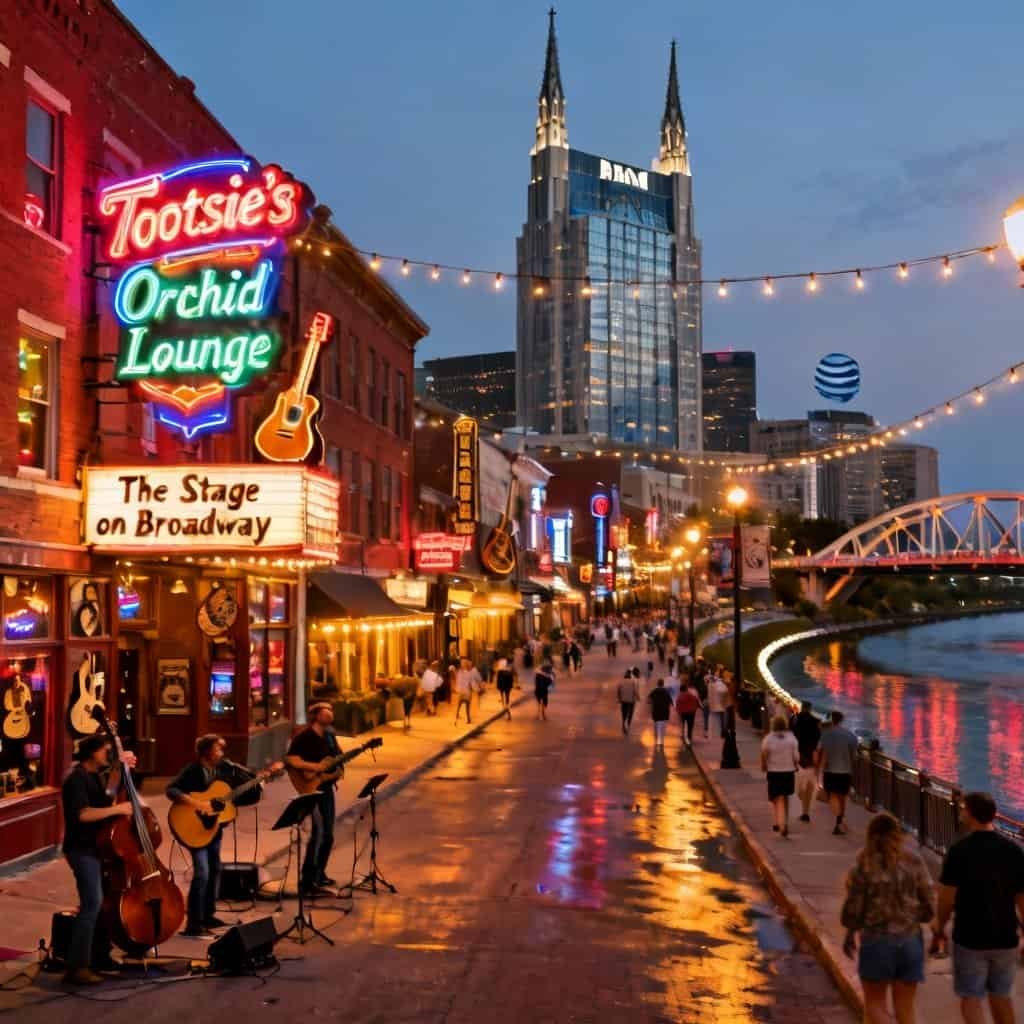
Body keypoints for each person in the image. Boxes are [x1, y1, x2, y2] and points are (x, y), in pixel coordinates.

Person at [934, 791, 1024, 1024]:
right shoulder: (1014, 851)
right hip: (1005, 937)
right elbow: (1022, 899)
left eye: (964, 809)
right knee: (1001, 996)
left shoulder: (959, 851)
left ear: (970, 814)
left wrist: (939, 926)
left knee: (971, 998)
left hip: (970, 936)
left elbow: (946, 898)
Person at [840, 812, 935, 1024]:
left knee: (874, 1004)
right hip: (910, 940)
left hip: (877, 940)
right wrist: (916, 916)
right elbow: (929, 902)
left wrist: (850, 931)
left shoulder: (863, 864)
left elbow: (853, 908)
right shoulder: (914, 861)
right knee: (906, 1007)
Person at [60, 734, 136, 985]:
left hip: (99, 848)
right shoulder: (75, 780)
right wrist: (118, 810)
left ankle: (100, 956)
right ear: (92, 753)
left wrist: (121, 769)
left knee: (103, 903)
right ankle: (77, 967)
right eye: (106, 751)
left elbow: (108, 795)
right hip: (81, 850)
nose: (108, 754)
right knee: (92, 903)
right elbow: (82, 815)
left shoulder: (94, 776)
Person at [167, 733, 257, 937]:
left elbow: (230, 791)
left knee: (215, 869)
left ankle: (208, 915)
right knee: (203, 873)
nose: (221, 753)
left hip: (213, 828)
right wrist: (198, 804)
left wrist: (259, 780)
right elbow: (171, 790)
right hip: (193, 827)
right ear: (207, 752)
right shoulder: (193, 770)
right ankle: (193, 923)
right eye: (218, 749)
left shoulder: (222, 769)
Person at [285, 703, 342, 897]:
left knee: (328, 835)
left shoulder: (330, 736)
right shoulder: (304, 736)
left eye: (331, 709)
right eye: (326, 709)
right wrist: (316, 768)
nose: (330, 712)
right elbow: (291, 760)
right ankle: (306, 881)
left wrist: (337, 768)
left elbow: (336, 759)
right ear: (316, 715)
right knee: (318, 833)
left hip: (326, 788)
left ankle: (319, 875)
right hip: (310, 790)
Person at [815, 710, 859, 835]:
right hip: (845, 770)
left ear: (831, 719)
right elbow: (854, 756)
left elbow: (819, 750)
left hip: (830, 770)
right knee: (843, 796)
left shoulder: (825, 735)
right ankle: (839, 821)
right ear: (841, 720)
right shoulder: (850, 736)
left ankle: (838, 820)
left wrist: (818, 769)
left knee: (833, 795)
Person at [760, 716, 799, 837]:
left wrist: (764, 765)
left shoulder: (768, 738)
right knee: (785, 797)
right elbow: (796, 756)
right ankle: (783, 822)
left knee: (777, 798)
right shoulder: (791, 738)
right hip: (788, 772)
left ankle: (780, 824)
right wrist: (796, 765)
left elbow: (764, 753)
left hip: (774, 772)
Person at [790, 701, 821, 823]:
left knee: (798, 787)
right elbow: (818, 742)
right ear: (810, 708)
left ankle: (801, 800)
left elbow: (790, 737)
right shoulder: (816, 722)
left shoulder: (794, 719)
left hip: (797, 757)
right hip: (810, 758)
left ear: (802, 707)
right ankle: (805, 812)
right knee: (809, 786)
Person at [453, 658, 481, 725]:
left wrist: (477, 689)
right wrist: (477, 689)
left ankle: (465, 718)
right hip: (465, 691)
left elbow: (471, 683)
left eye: (463, 663)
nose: (462, 664)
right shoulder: (464, 672)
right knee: (464, 705)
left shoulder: (463, 672)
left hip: (464, 691)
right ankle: (466, 718)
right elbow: (471, 683)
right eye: (462, 663)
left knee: (462, 705)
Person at [675, 679, 702, 747]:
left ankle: (684, 736)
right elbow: (696, 700)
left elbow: (678, 704)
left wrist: (678, 711)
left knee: (683, 724)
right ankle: (689, 737)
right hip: (691, 712)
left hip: (683, 713)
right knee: (690, 725)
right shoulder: (690, 695)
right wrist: (698, 707)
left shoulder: (680, 696)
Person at [648, 678, 673, 749]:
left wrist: (651, 703)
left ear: (657, 684)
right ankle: (661, 741)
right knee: (663, 726)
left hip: (656, 711)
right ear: (663, 684)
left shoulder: (654, 691)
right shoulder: (666, 692)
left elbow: (649, 699)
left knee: (656, 725)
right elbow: (671, 702)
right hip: (665, 711)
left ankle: (657, 740)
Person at [707, 669, 730, 738]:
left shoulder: (711, 684)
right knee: (721, 722)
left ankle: (717, 734)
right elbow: (724, 691)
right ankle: (722, 733)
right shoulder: (721, 684)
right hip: (720, 706)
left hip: (714, 707)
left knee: (716, 723)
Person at [616, 670, 639, 734]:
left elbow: (618, 691)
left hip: (623, 700)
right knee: (631, 712)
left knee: (624, 712)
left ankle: (623, 723)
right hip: (631, 700)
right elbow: (635, 691)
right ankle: (628, 724)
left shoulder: (621, 682)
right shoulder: (632, 682)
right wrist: (638, 697)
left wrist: (619, 698)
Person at [692, 658, 710, 738]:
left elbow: (706, 685)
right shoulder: (697, 673)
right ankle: (705, 730)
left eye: (698, 664)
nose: (697, 665)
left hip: (704, 696)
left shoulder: (704, 673)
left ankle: (706, 730)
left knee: (706, 714)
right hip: (700, 695)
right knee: (705, 714)